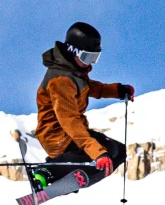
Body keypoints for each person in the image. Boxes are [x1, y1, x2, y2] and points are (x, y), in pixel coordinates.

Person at [34, 22, 134, 190]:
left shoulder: (74, 73)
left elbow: (91, 88)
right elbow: (69, 121)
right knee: (99, 159)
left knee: (118, 151)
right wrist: (97, 152)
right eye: (87, 57)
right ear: (73, 51)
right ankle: (48, 172)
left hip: (73, 133)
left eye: (95, 57)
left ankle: (67, 177)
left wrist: (117, 91)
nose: (91, 63)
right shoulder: (61, 81)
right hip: (58, 135)